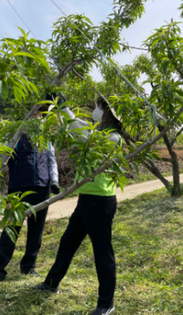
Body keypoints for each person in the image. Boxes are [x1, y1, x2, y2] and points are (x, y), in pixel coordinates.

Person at [33, 94, 122, 315]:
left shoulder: (112, 138)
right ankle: (51, 284)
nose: (96, 109)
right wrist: (62, 106)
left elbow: (79, 131)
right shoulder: (100, 132)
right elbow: (81, 126)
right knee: (67, 243)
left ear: (110, 113)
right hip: (86, 199)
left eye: (100, 106)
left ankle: (106, 304)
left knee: (102, 253)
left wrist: (62, 107)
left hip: (100, 201)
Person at [0, 110, 60, 282]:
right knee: (11, 229)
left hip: (42, 188)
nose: (37, 118)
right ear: (26, 115)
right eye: (34, 114)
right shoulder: (14, 137)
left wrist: (54, 181)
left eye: (40, 115)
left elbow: (51, 160)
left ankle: (29, 267)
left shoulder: (45, 138)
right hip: (18, 190)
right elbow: (1, 159)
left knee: (36, 231)